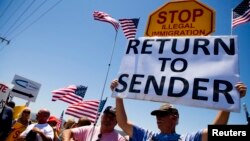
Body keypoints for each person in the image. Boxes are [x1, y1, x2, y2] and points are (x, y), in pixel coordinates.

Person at [110, 80, 247, 141]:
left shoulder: (189, 138)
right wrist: (118, 96)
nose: (158, 118)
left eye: (162, 115)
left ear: (174, 117)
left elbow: (216, 129)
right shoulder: (145, 135)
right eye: (157, 115)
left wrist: (231, 99)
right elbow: (122, 123)